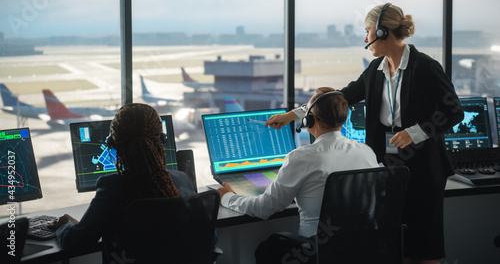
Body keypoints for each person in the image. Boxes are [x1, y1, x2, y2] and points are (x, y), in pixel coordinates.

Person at [265, 3, 464, 264]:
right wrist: (292, 115)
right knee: (394, 243)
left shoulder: (425, 66)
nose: (365, 38)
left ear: (382, 33)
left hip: (424, 167)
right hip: (387, 165)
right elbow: (337, 97)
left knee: (424, 247)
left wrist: (415, 133)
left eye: (368, 31)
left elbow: (453, 111)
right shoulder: (376, 70)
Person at [218, 87, 380, 263]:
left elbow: (263, 208)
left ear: (311, 120)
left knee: (266, 249)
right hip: (362, 250)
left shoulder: (301, 158)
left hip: (316, 252)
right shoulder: (367, 152)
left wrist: (228, 197)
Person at [49, 103, 196, 263]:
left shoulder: (112, 187)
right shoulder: (183, 180)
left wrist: (65, 226)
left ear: (114, 144)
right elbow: (208, 236)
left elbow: (77, 242)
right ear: (162, 140)